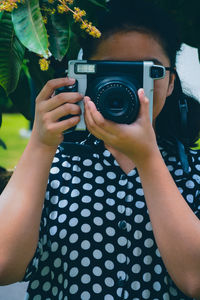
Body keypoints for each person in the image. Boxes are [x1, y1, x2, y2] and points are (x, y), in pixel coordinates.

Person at [1, 0, 200, 299]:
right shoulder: (52, 169)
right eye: (112, 70)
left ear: (171, 82)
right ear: (84, 79)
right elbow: (4, 267)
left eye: (148, 71)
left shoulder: (194, 172)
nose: (129, 86)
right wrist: (41, 144)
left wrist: (147, 158)